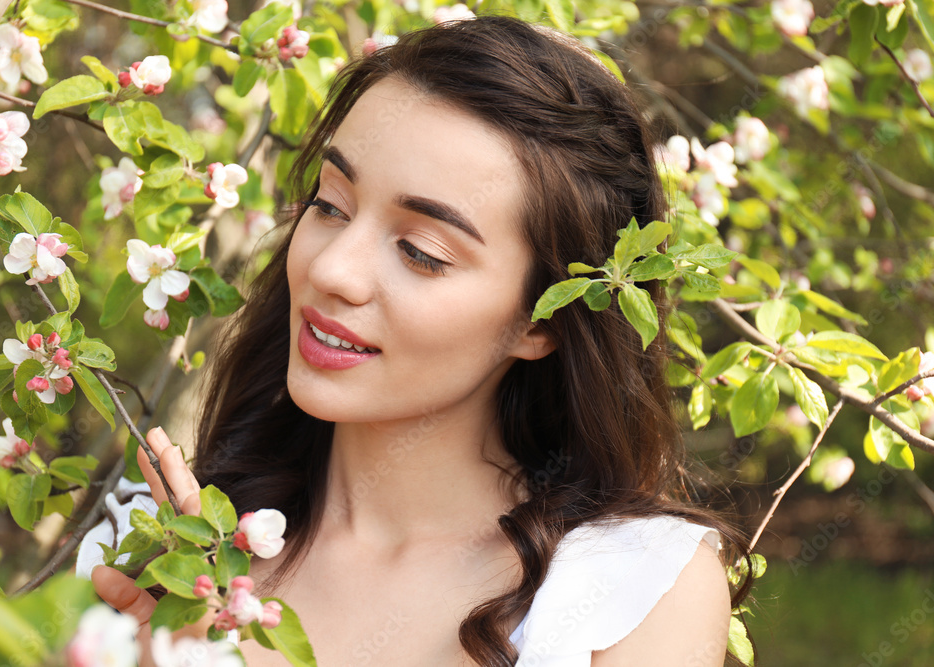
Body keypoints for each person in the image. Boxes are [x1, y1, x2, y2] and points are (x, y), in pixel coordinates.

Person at [86, 12, 752, 666]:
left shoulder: (636, 591)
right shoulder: (159, 545)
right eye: (329, 204)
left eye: (421, 251)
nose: (329, 269)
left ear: (541, 321)